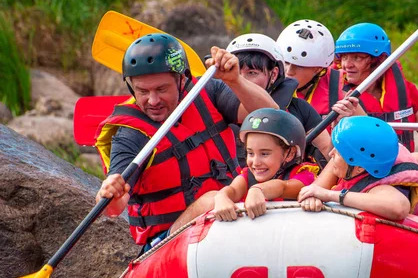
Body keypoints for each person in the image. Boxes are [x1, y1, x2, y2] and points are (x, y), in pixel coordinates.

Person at [94, 33, 278, 251]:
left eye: (161, 89)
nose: (152, 101)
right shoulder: (131, 134)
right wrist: (108, 192)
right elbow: (113, 208)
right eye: (142, 91)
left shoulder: (207, 91)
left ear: (182, 80)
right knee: (212, 199)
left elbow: (270, 118)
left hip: (234, 216)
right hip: (167, 244)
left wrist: (235, 80)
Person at [334, 22, 418, 217]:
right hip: (361, 173)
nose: (346, 65)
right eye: (344, 58)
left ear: (379, 60)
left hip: (405, 172)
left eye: (356, 58)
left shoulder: (404, 90)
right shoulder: (338, 95)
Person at [226, 33, 339, 168]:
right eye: (236, 73)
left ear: (273, 74)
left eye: (252, 73)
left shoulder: (299, 109)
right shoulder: (217, 107)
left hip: (287, 185)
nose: (241, 80)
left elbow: (328, 153)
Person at [298, 116, 418, 221]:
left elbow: (399, 207)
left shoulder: (380, 187)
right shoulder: (350, 162)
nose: (331, 154)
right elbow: (314, 189)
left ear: (359, 168)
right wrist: (313, 196)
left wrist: (330, 195)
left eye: (338, 153)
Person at [205, 108, 318, 221]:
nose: (255, 162)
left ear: (290, 153)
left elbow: (283, 187)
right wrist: (221, 197)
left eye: (264, 154)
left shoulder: (304, 175)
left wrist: (258, 189)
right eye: (250, 153)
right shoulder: (247, 176)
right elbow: (233, 190)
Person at [276, 19, 347, 118]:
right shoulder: (266, 81)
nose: (289, 71)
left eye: (299, 66)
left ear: (318, 69)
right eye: (286, 62)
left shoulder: (341, 86)